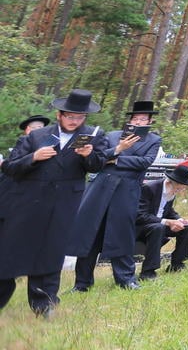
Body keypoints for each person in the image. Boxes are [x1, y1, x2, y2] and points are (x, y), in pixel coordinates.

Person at [0, 89, 108, 315]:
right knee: (12, 250)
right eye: (70, 116)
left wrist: (88, 155)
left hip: (64, 204)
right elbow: (10, 168)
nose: (74, 121)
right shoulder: (35, 137)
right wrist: (33, 157)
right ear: (59, 114)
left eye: (79, 117)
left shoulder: (94, 136)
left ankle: (44, 304)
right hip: (28, 203)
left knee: (51, 252)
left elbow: (97, 166)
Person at [69, 99, 163, 292]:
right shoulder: (112, 136)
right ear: (129, 120)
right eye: (135, 119)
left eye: (142, 119)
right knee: (90, 234)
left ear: (150, 122)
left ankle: (126, 279)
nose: (138, 122)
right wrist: (115, 152)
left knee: (122, 234)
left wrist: (116, 158)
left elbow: (144, 162)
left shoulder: (154, 140)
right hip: (100, 189)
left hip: (127, 191)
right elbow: (99, 159)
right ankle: (82, 283)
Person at [134, 164, 188, 279]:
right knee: (158, 227)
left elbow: (169, 211)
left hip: (159, 225)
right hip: (142, 227)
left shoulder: (172, 192)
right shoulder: (150, 188)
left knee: (186, 228)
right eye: (180, 187)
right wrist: (168, 222)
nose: (182, 190)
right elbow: (140, 216)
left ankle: (177, 264)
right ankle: (148, 272)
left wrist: (180, 220)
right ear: (170, 183)